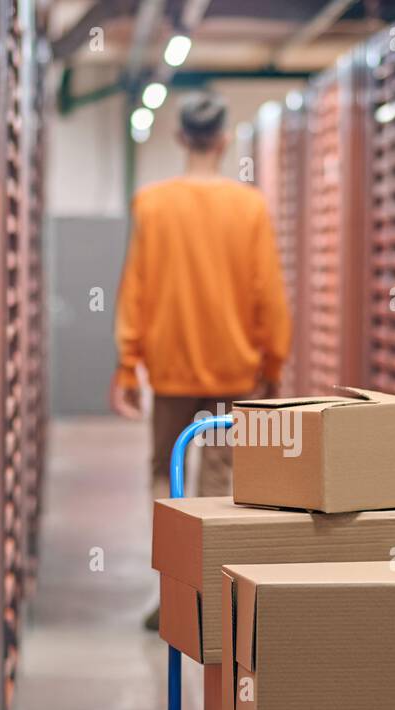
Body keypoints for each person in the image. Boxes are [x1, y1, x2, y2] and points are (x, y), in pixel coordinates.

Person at [111, 90, 291, 629]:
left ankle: (172, 598)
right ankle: (212, 605)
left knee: (167, 479)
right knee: (220, 483)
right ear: (225, 139)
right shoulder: (249, 206)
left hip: (169, 369)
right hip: (235, 373)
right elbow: (268, 293)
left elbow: (135, 288)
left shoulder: (152, 203)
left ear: (180, 136)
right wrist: (274, 364)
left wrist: (127, 364)